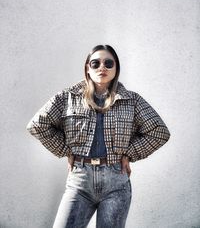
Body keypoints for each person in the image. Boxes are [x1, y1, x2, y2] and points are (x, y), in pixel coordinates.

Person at [26, 44, 170, 228]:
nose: (102, 67)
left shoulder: (132, 100)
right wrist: (65, 149)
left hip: (116, 182)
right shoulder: (67, 97)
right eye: (95, 63)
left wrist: (130, 153)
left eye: (108, 63)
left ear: (116, 68)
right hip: (79, 181)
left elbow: (159, 131)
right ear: (87, 67)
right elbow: (37, 125)